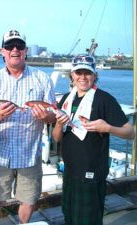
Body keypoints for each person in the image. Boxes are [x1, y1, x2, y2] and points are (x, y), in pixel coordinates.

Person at [0, 29, 56, 224]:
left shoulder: (42, 78)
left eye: (19, 46)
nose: (15, 49)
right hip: (0, 154)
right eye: (9, 46)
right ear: (2, 51)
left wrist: (45, 115)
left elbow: (52, 116)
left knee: (29, 201)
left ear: (26, 50)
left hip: (29, 154)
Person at [52, 54, 135, 225]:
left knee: (88, 218)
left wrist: (107, 128)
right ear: (72, 75)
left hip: (92, 172)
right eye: (78, 72)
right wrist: (59, 124)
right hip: (70, 171)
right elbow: (56, 137)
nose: (82, 77)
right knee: (69, 214)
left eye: (87, 73)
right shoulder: (66, 100)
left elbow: (130, 132)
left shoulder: (105, 99)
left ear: (95, 76)